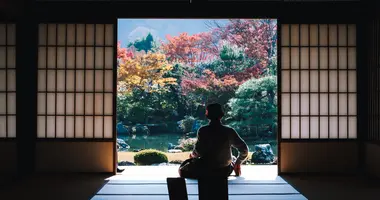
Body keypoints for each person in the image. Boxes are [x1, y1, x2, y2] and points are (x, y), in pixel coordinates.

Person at [178, 103, 249, 179]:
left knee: (182, 169)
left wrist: (192, 155)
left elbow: (199, 152)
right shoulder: (229, 131)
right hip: (224, 171)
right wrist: (238, 162)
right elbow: (244, 149)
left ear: (207, 114)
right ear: (221, 114)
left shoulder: (203, 130)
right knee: (232, 158)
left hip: (205, 170)